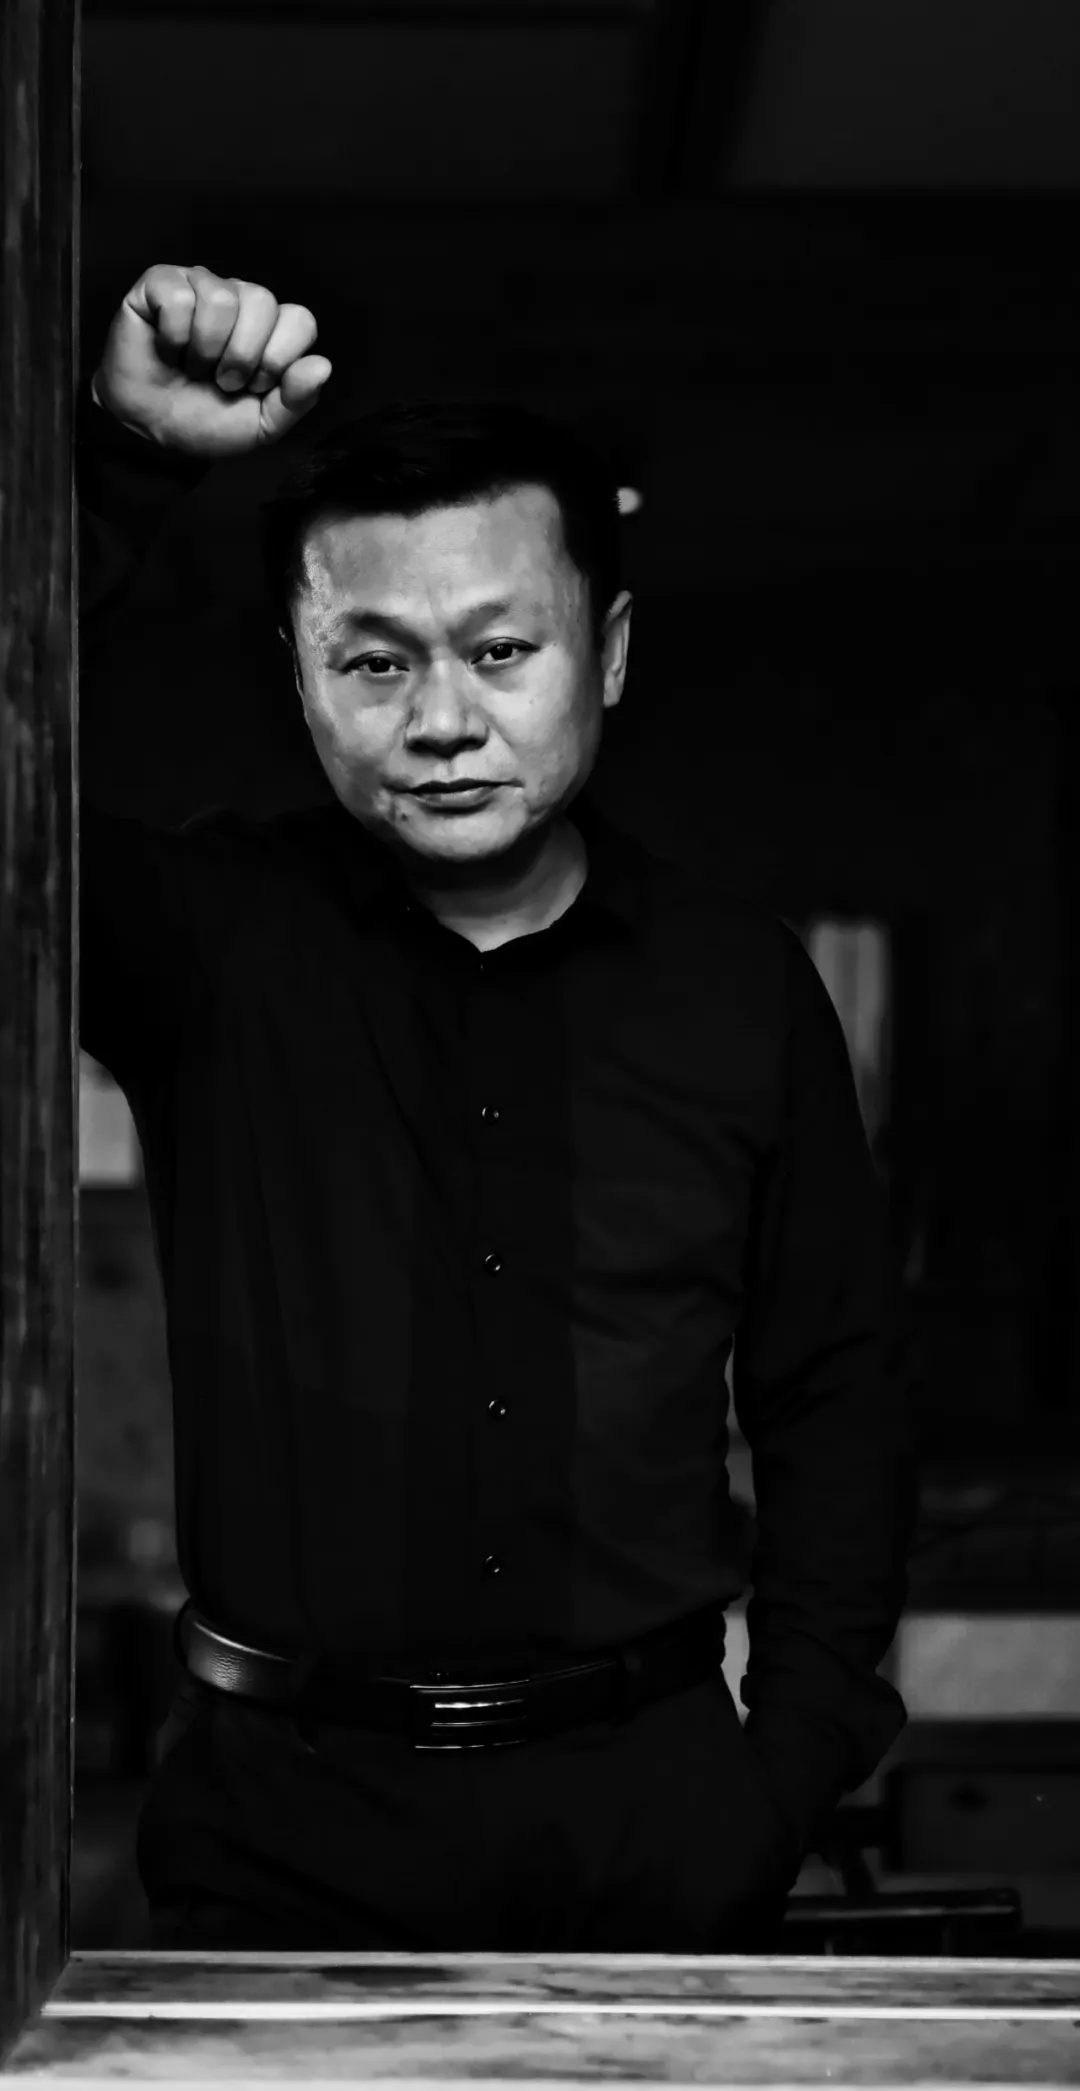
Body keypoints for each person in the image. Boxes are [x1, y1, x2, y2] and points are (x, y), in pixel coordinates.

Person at [78, 261, 917, 1954]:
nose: (444, 722)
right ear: (300, 676)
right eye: (374, 662)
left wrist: (788, 1767)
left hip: (657, 1815)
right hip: (277, 1830)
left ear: (608, 654)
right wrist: (121, 463)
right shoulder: (206, 942)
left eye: (502, 649)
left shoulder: (737, 986)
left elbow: (836, 1392)